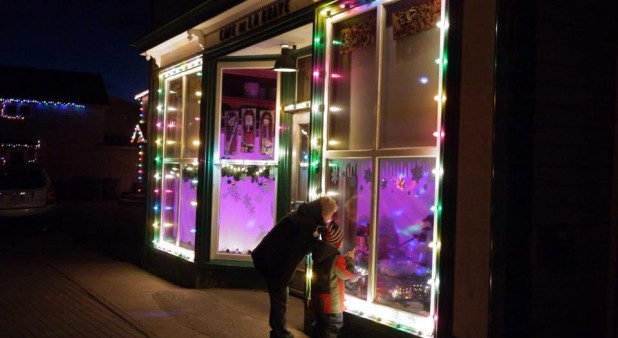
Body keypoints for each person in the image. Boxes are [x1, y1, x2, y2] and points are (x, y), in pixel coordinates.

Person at [252, 196, 338, 338]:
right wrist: (284, 279)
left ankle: (279, 331)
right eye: (330, 215)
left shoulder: (306, 215)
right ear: (324, 212)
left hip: (268, 257)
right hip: (272, 261)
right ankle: (279, 333)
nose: (331, 219)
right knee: (280, 297)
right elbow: (294, 255)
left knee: (279, 297)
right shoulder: (307, 224)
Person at [310, 222, 358, 338]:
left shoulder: (318, 254)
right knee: (331, 330)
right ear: (338, 242)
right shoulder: (336, 259)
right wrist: (350, 259)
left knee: (320, 327)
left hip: (318, 301)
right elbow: (347, 274)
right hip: (332, 305)